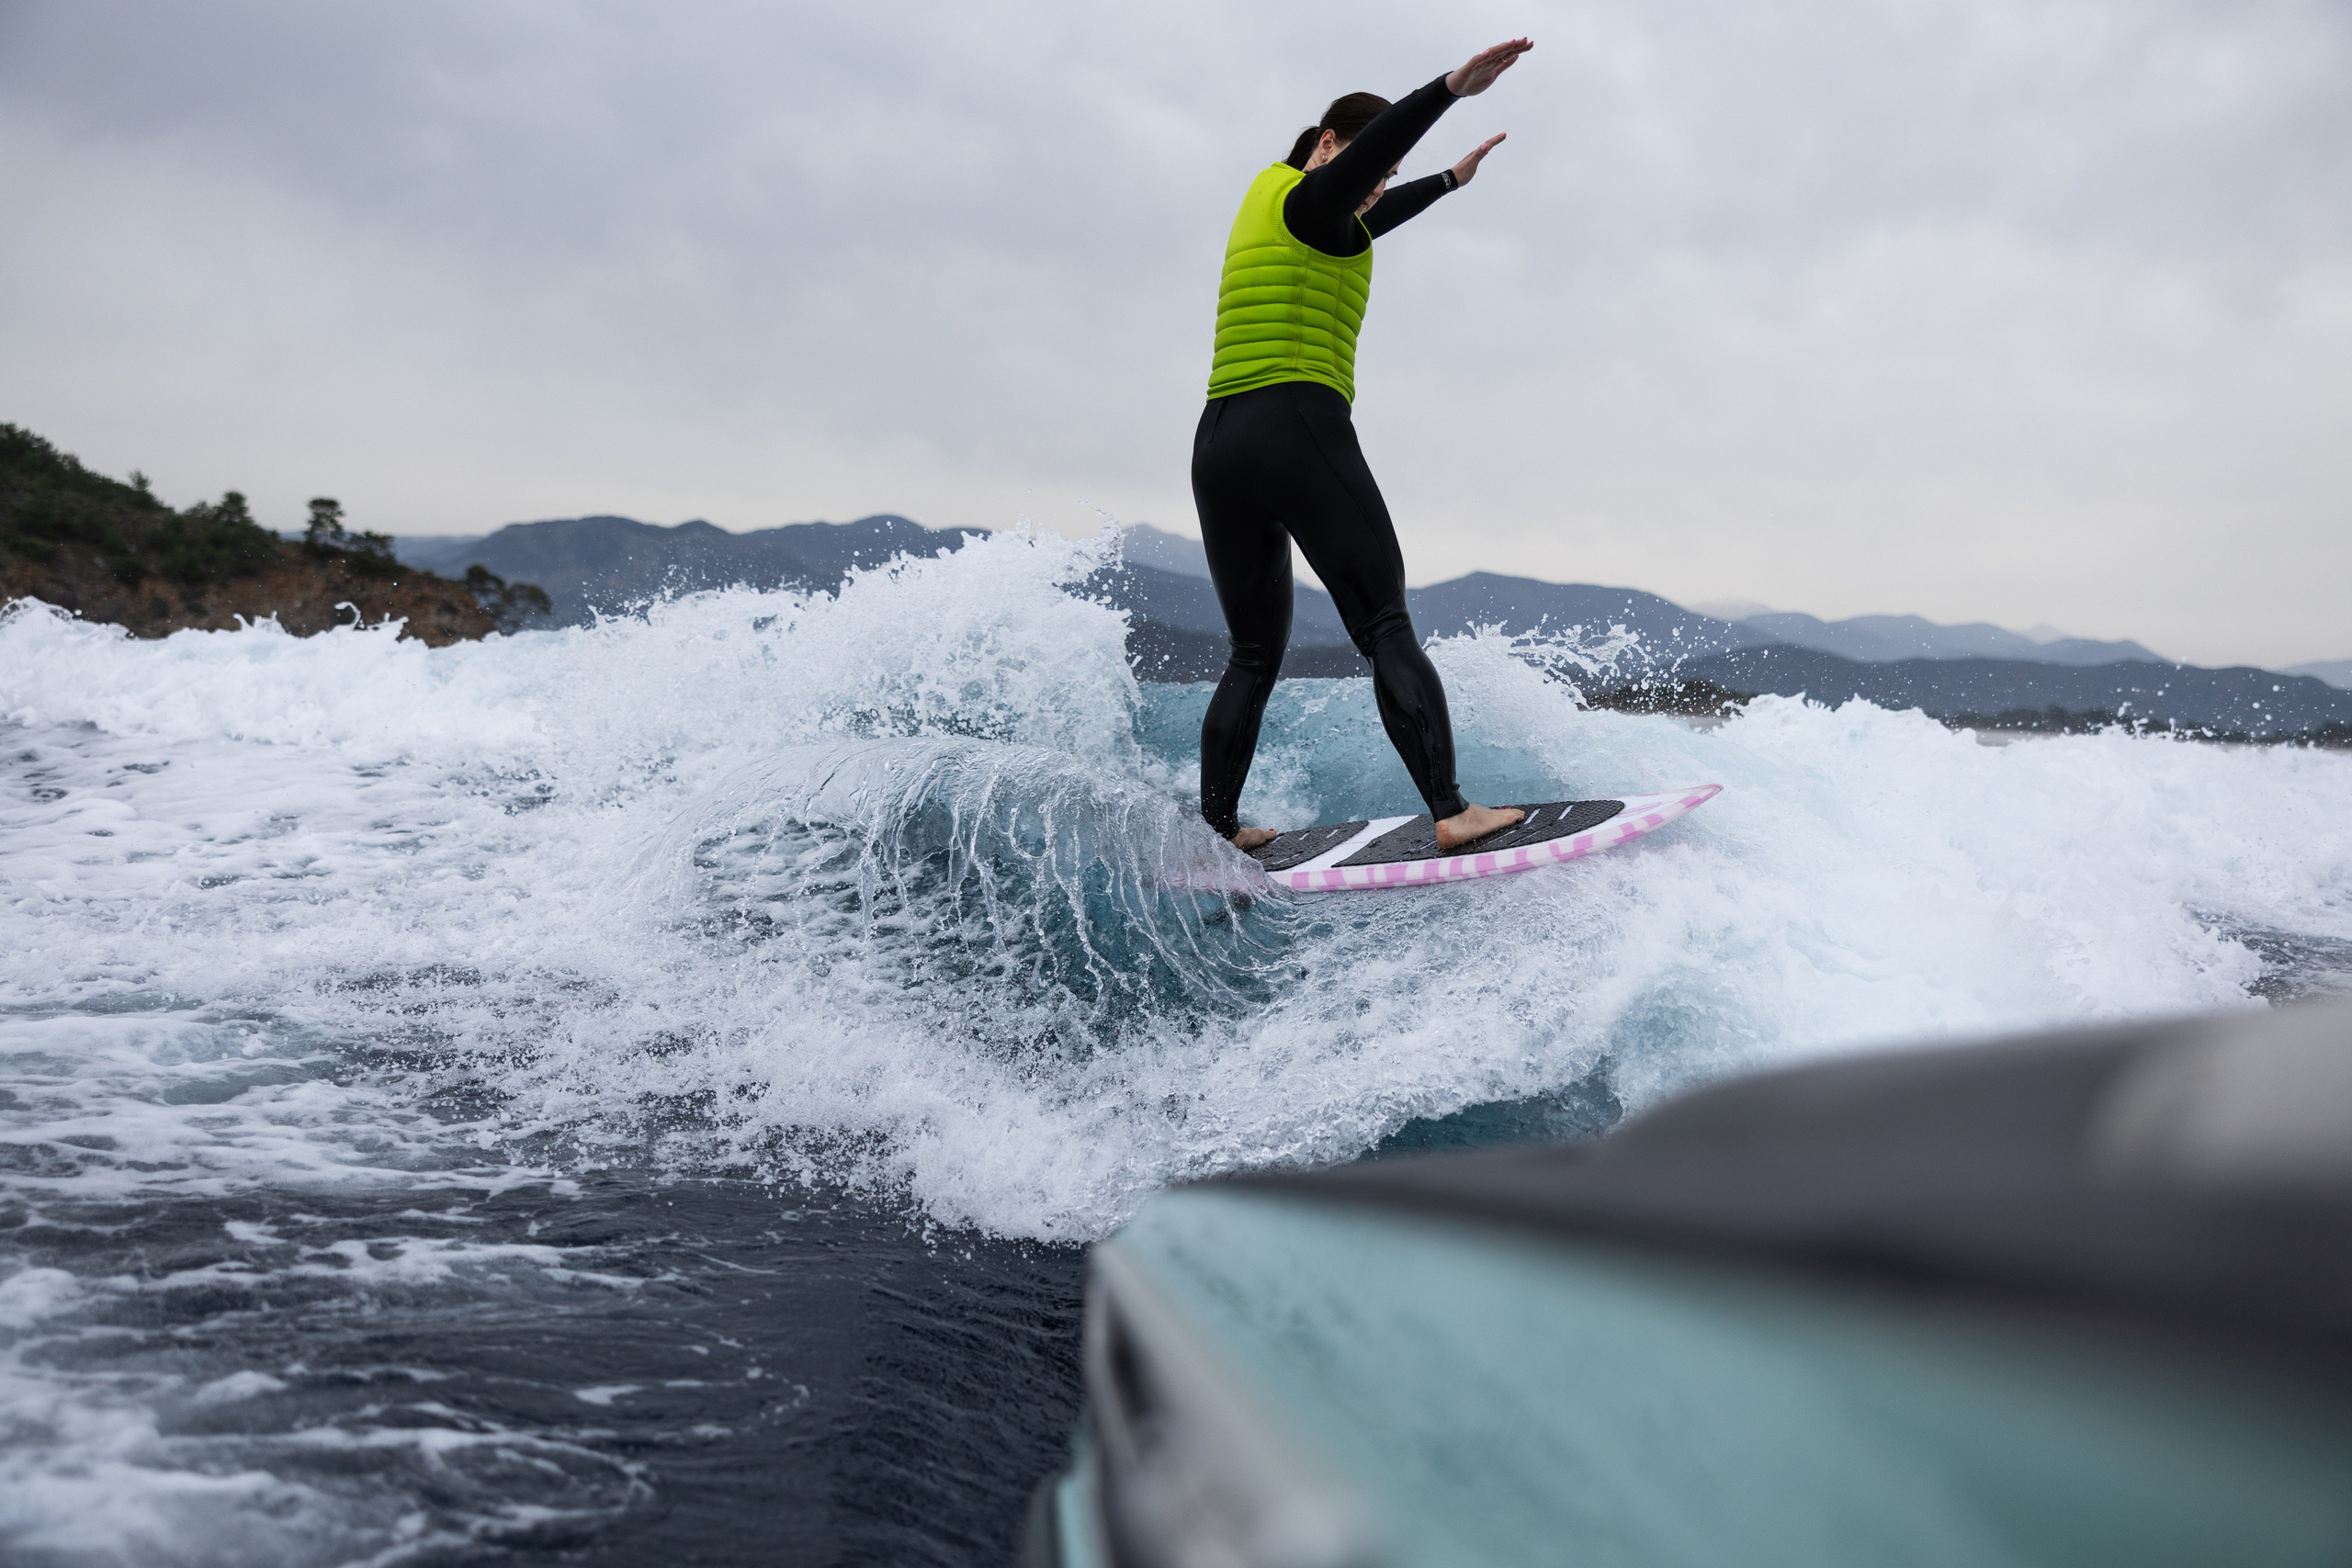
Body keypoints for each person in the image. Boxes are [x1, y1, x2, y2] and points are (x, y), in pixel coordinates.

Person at [1194, 39, 1535, 853]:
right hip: (1295, 427)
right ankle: (1451, 809)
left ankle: (1216, 829)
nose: (1373, 187)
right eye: (1364, 167)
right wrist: (1451, 89)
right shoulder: (1316, 198)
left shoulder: (1275, 202)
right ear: (1323, 146)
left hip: (1219, 443)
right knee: (1384, 620)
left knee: (1251, 651)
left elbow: (1377, 204)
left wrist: (1449, 181)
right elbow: (1362, 182)